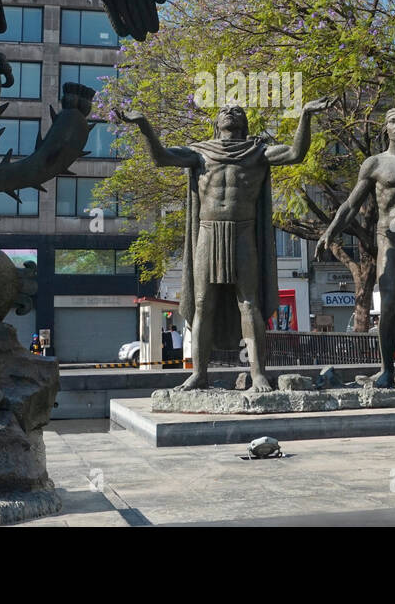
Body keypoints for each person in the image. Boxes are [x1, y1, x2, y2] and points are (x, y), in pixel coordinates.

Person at [119, 99, 328, 392]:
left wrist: (305, 115)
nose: (230, 111)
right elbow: (162, 158)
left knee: (249, 302)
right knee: (203, 303)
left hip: (243, 232)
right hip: (208, 230)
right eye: (224, 110)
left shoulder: (257, 152)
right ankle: (199, 374)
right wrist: (144, 125)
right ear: (217, 123)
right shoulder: (199, 152)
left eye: (237, 110)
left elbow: (295, 153)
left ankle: (257, 374)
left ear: (244, 123)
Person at [318, 106, 395, 386]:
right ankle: (387, 369)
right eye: (393, 121)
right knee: (390, 300)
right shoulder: (375, 163)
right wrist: (331, 231)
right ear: (386, 130)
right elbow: (351, 204)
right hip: (388, 235)